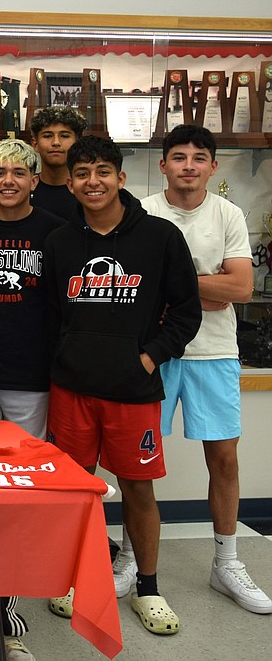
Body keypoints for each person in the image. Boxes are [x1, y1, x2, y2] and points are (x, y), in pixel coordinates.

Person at [43, 135, 201, 635]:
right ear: (69, 183)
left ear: (121, 178)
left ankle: (148, 588)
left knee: (138, 490)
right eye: (83, 173)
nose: (94, 182)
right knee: (75, 490)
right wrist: (64, 358)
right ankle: (74, 578)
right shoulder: (61, 243)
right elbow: (50, 317)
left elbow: (187, 311)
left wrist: (151, 357)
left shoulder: (159, 237)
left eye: (103, 172)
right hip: (73, 390)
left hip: (133, 391)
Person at [139, 125, 270, 614]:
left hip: (214, 353)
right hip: (157, 351)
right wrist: (205, 289)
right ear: (164, 165)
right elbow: (140, 292)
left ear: (213, 167)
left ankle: (226, 561)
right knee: (139, 461)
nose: (188, 165)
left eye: (199, 157)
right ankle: (134, 556)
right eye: (179, 156)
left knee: (225, 460)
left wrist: (177, 290)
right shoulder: (145, 213)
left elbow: (239, 289)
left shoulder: (228, 213)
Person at [0, 138, 64, 439]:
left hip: (32, 375)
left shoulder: (56, 232)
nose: (8, 181)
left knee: (28, 465)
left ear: (34, 181)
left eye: (19, 173)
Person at [28, 106, 86, 218]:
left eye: (64, 136)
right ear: (35, 144)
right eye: (48, 136)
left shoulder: (89, 190)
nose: (56, 142)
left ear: (77, 143)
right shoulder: (23, 191)